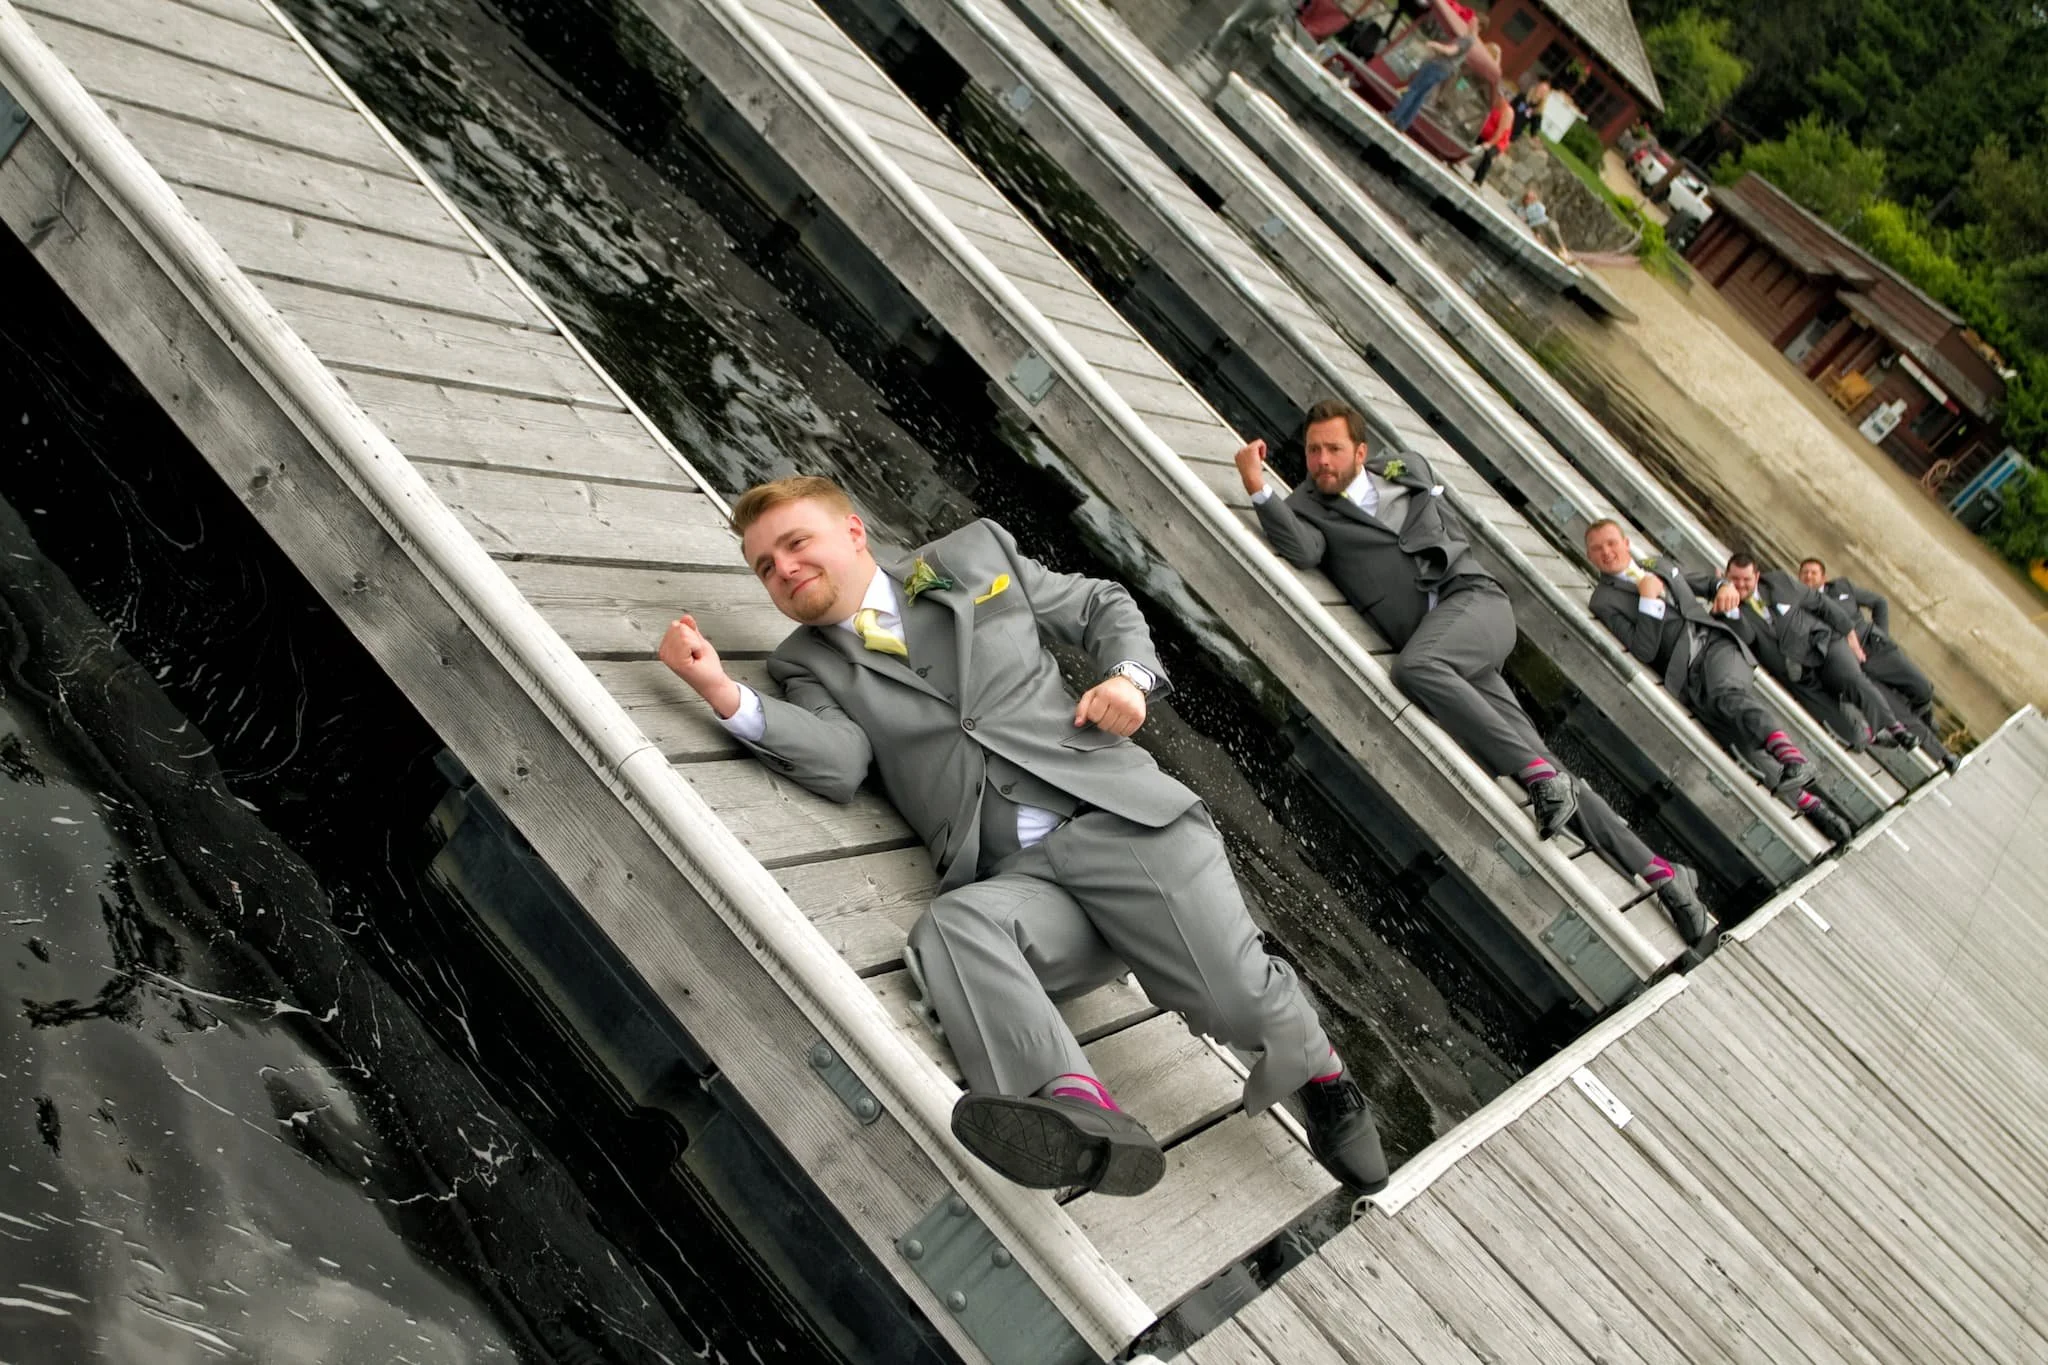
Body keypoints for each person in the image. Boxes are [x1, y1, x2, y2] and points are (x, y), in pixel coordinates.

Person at [656, 477, 1388, 1195]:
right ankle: (1075, 1110)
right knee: (952, 929)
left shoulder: (974, 556)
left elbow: (1100, 603)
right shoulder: (803, 663)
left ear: (852, 532)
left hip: (1121, 822)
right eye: (764, 566)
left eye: (795, 544)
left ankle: (1322, 1072)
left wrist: (1128, 680)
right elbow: (841, 759)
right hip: (1020, 877)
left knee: (1235, 1006)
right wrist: (721, 690)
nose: (783, 569)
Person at [1235, 403, 1719, 952]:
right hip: (1442, 643)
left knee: (1416, 670)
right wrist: (1256, 484)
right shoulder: (1306, 506)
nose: (1321, 460)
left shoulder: (1405, 469)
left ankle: (1540, 776)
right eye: (1312, 450)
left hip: (1474, 603)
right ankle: (1665, 875)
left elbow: (1431, 503)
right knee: (1540, 761)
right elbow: (1303, 550)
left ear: (1361, 452)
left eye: (1333, 449)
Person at [1583, 521, 1855, 845]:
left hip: (1716, 646)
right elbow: (1643, 649)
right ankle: (1816, 810)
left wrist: (1725, 587)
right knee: (1741, 748)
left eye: (1611, 543)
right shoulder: (1603, 601)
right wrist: (1649, 602)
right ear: (1589, 556)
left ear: (1626, 543)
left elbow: (1711, 583)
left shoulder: (1658, 564)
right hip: (1688, 681)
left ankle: (1792, 758)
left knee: (1728, 695)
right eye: (1597, 548)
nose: (1607, 552)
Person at [1716, 554, 1916, 753]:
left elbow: (1821, 602)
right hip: (1796, 673)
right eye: (1735, 579)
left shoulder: (1779, 582)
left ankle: (1895, 729)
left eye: (1746, 579)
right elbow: (1748, 637)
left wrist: (1849, 633)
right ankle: (1867, 735)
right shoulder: (1725, 608)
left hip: (1822, 645)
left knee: (1853, 680)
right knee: (1846, 730)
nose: (1741, 585)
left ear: (1757, 577)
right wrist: (1731, 609)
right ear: (1726, 577)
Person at [1798, 557, 1960, 770]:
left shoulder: (1842, 587)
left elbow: (1879, 602)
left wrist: (1882, 634)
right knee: (1899, 713)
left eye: (1813, 572)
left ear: (1824, 577)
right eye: (1804, 573)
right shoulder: (1801, 608)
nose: (1808, 576)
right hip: (1854, 665)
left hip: (1877, 648)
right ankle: (1944, 756)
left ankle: (1925, 719)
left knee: (1923, 688)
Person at [1388, 13, 1486, 131]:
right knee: (1420, 95)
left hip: (1438, 65)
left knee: (1414, 89)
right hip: (1445, 70)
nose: (1469, 22)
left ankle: (1394, 116)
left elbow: (1451, 51)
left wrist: (1434, 45)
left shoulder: (1467, 39)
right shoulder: (1472, 42)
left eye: (1473, 21)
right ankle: (1402, 123)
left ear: (1479, 27)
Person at [1468, 91, 1514, 187]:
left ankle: (1477, 181)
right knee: (1468, 136)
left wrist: (1490, 143)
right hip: (1485, 134)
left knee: (1489, 154)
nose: (1498, 98)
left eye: (1500, 97)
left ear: (1505, 100)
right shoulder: (1494, 104)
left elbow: (1500, 133)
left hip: (1498, 141)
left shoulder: (1508, 112)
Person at [1518, 185, 1571, 259]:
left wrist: (1529, 215)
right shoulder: (1521, 209)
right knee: (1545, 240)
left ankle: (1564, 251)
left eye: (1532, 198)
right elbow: (1522, 217)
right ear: (1525, 199)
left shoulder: (1537, 204)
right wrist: (1529, 214)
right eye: (1528, 198)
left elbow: (1541, 212)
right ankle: (1560, 254)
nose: (1530, 200)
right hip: (1536, 226)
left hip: (1546, 221)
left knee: (1553, 230)